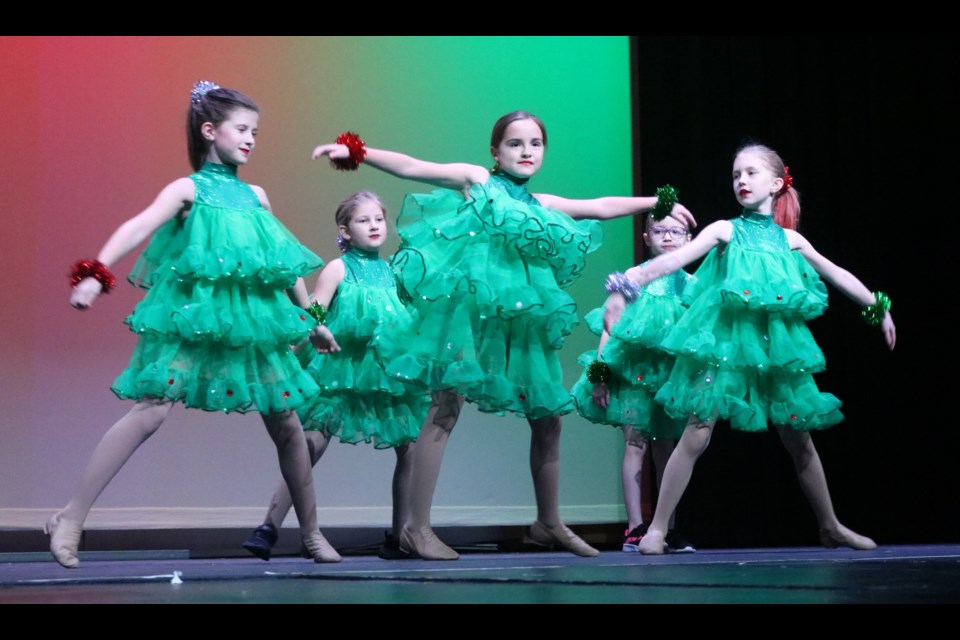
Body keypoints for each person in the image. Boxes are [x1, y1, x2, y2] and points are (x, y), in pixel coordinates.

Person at [311, 112, 696, 559]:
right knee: (445, 406)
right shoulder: (478, 180)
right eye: (515, 143)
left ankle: (548, 522)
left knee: (548, 416)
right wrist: (356, 152)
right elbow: (413, 166)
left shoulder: (541, 205)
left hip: (520, 317)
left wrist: (654, 201)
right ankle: (416, 528)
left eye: (535, 143)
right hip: (469, 311)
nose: (527, 151)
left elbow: (598, 205)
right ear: (495, 151)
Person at [46, 81, 340, 568]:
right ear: (210, 131)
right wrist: (97, 273)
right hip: (198, 314)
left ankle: (310, 533)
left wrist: (313, 321)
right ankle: (71, 518)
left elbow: (284, 265)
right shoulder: (188, 189)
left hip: (252, 323)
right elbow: (139, 225)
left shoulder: (256, 196)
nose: (250, 139)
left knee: (288, 422)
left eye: (255, 132)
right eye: (241, 129)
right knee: (152, 408)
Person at [620, 143, 896, 554]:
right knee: (697, 432)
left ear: (776, 182)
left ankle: (831, 525)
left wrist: (877, 307)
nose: (741, 181)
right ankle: (657, 529)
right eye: (736, 175)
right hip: (726, 346)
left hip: (775, 350)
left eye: (750, 173)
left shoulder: (790, 240)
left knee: (799, 438)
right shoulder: (724, 230)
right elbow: (675, 261)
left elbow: (836, 273)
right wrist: (634, 279)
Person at [241, 191, 430, 561]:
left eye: (379, 219)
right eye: (364, 220)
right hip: (340, 367)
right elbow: (314, 314)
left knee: (410, 448)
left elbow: (404, 322)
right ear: (345, 229)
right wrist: (289, 356)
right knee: (310, 444)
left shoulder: (394, 271)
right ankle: (269, 527)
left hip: (384, 373)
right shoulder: (338, 269)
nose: (374, 225)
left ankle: (400, 535)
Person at [570, 213, 695, 553]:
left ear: (688, 239)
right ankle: (634, 527)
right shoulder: (633, 277)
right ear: (645, 236)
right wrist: (600, 375)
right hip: (634, 374)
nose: (667, 236)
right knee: (635, 444)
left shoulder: (691, 283)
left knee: (667, 448)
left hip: (669, 378)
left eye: (676, 231)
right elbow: (610, 327)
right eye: (659, 230)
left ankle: (665, 526)